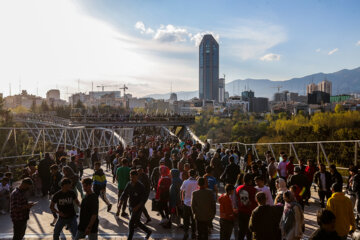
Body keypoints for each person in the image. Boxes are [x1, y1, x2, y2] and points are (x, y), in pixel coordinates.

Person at [119, 170, 152, 240]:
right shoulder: (129, 184)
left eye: (133, 177)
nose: (132, 179)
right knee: (137, 222)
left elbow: (143, 199)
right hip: (131, 206)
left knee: (131, 223)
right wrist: (120, 203)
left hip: (138, 207)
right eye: (130, 177)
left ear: (137, 177)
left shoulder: (141, 186)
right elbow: (124, 194)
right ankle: (148, 231)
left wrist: (137, 207)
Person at [235, 173, 257, 240]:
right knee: (249, 232)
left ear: (243, 180)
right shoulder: (254, 190)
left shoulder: (238, 188)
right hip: (251, 212)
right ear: (250, 180)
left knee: (241, 231)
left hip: (241, 212)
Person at [180, 169, 198, 240]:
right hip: (194, 204)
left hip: (186, 203)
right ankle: (193, 233)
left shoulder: (185, 182)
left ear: (189, 174)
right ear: (195, 174)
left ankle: (186, 232)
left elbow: (181, 191)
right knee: (193, 219)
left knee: (186, 219)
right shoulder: (197, 182)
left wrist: (182, 200)